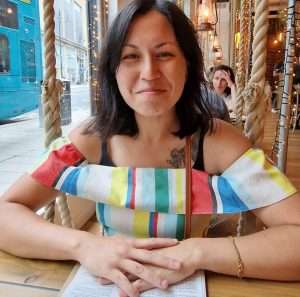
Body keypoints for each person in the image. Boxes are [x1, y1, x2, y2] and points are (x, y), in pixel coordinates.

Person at [0, 1, 300, 297]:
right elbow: (6, 212)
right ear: (112, 70)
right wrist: (85, 245)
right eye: (130, 56)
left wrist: (195, 253)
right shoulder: (92, 137)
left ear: (188, 64)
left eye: (164, 54)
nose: (149, 72)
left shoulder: (216, 141)